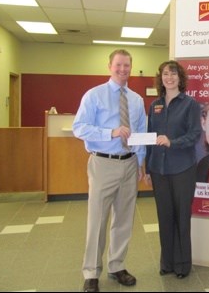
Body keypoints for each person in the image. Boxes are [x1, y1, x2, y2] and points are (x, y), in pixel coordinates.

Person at [72, 49, 146, 293]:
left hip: (129, 162)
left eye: (127, 65)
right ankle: (91, 272)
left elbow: (141, 132)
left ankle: (117, 266)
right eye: (118, 65)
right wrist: (110, 132)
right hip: (103, 163)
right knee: (98, 219)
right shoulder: (94, 95)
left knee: (124, 219)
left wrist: (140, 161)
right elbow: (79, 128)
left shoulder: (135, 100)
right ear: (109, 66)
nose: (123, 69)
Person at [144, 60, 202, 279]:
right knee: (164, 216)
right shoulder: (155, 105)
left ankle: (182, 264)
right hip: (159, 170)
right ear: (161, 78)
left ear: (180, 78)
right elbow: (150, 137)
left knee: (181, 217)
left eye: (173, 74)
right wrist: (148, 168)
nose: (169, 78)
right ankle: (167, 262)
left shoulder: (190, 104)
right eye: (166, 74)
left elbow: (195, 134)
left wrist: (172, 142)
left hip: (183, 168)